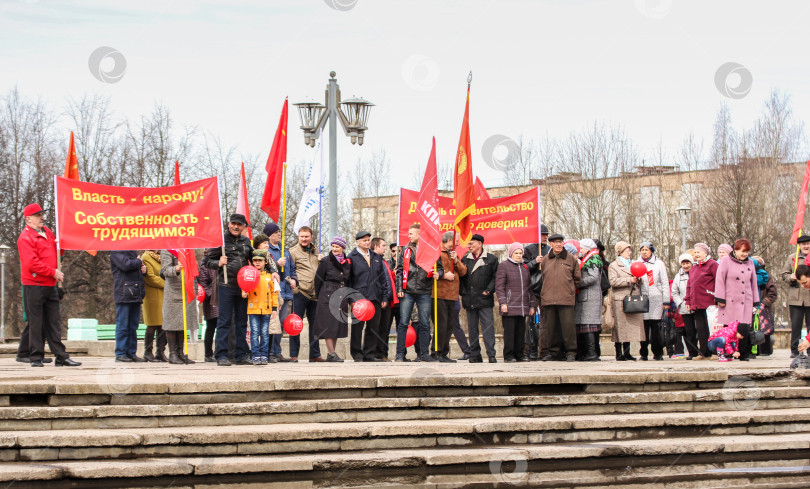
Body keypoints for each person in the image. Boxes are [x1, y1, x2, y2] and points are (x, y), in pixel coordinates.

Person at [17, 203, 80, 367]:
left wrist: (62, 246)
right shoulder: (25, 238)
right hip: (34, 284)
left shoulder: (48, 233)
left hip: (50, 284)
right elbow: (31, 263)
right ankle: (36, 357)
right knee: (36, 322)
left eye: (42, 215)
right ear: (28, 218)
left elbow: (56, 254)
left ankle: (61, 356)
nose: (42, 218)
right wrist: (53, 272)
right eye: (38, 215)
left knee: (54, 322)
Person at [203, 213, 253, 366]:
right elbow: (206, 262)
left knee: (241, 322)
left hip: (243, 286)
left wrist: (272, 269)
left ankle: (241, 355)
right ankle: (221, 355)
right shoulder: (221, 241)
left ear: (244, 227)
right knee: (224, 321)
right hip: (225, 285)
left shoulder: (246, 241)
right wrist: (218, 262)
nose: (236, 226)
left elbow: (255, 257)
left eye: (239, 224)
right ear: (229, 224)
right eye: (234, 223)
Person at [395, 224, 437, 362]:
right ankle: (400, 354)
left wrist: (439, 273)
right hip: (408, 290)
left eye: (412, 233)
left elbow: (439, 267)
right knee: (403, 323)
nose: (409, 236)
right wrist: (400, 289)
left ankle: (424, 354)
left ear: (420, 234)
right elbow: (400, 270)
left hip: (424, 291)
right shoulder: (406, 249)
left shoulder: (431, 249)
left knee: (425, 323)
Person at [347, 231, 391, 362]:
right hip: (358, 299)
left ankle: (369, 354)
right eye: (364, 240)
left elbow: (383, 279)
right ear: (357, 242)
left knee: (373, 327)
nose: (367, 242)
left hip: (375, 297)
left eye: (368, 240)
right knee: (357, 328)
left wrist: (384, 297)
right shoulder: (352, 257)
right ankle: (357, 354)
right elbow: (348, 280)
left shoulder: (376, 257)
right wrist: (351, 299)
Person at [714, 238, 759, 361]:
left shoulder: (750, 263)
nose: (744, 254)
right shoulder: (725, 261)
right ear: (735, 250)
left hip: (746, 300)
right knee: (730, 328)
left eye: (747, 251)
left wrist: (756, 301)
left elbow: (754, 282)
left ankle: (744, 353)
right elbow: (720, 280)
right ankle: (728, 352)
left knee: (744, 328)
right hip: (730, 300)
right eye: (742, 251)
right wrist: (720, 298)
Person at [539, 234, 581, 362]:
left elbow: (577, 279)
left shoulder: (571, 259)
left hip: (566, 299)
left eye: (560, 242)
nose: (558, 244)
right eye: (555, 242)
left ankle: (570, 352)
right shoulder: (545, 260)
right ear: (550, 244)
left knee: (568, 328)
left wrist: (569, 290)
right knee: (551, 328)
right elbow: (543, 278)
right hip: (549, 299)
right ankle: (554, 353)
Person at [459, 233, 500, 363]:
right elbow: (461, 278)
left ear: (480, 244)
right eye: (468, 244)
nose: (469, 246)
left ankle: (491, 354)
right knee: (472, 329)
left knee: (488, 327)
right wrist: (463, 293)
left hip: (485, 299)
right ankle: (475, 354)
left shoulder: (491, 259)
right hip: (469, 299)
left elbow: (496, 277)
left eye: (472, 243)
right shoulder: (465, 259)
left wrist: (488, 290)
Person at [288, 226, 324, 362]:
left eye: (306, 236)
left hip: (315, 294)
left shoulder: (316, 252)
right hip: (300, 292)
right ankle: (293, 355)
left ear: (311, 237)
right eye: (301, 236)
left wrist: (322, 262)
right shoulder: (292, 252)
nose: (304, 239)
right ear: (298, 237)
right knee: (294, 324)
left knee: (315, 326)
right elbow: (289, 272)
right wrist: (295, 289)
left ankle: (314, 354)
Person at [313, 236, 353, 362]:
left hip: (341, 295)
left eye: (337, 246)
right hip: (327, 295)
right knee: (328, 325)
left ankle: (331, 354)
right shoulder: (326, 261)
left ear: (343, 247)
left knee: (336, 326)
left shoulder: (347, 262)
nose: (334, 249)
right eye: (333, 246)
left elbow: (349, 279)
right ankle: (331, 353)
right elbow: (318, 279)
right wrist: (320, 296)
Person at [263, 223, 297, 363]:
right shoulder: (266, 250)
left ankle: (277, 352)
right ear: (269, 235)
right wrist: (277, 264)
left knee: (282, 323)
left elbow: (292, 269)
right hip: (274, 293)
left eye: (279, 232)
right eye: (276, 232)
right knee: (273, 323)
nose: (279, 234)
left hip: (286, 292)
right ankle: (270, 352)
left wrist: (294, 279)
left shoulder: (285, 250)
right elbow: (265, 268)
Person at [495, 242, 535, 362]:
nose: (518, 255)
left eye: (520, 253)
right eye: (516, 253)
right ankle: (509, 355)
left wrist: (532, 305)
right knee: (509, 333)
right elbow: (499, 286)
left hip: (523, 305)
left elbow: (530, 287)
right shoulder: (504, 266)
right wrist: (503, 303)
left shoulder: (525, 267)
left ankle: (520, 354)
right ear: (511, 254)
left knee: (520, 332)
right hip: (509, 305)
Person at [432, 231, 468, 362]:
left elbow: (463, 271)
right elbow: (431, 270)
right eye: (456, 241)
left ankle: (444, 353)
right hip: (439, 293)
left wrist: (456, 260)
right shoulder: (437, 252)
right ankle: (436, 352)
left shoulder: (454, 254)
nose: (458, 243)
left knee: (449, 325)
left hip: (453, 295)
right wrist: (443, 275)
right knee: (441, 324)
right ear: (449, 241)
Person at [160, 250, 197, 365]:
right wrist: (176, 268)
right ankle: (172, 353)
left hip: (187, 288)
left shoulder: (188, 250)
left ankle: (181, 353)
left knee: (183, 323)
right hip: (173, 290)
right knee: (172, 323)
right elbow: (165, 270)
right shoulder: (167, 250)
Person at [608, 241, 644, 361]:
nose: (629, 252)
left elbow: (640, 277)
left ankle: (627, 352)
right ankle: (619, 353)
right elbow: (613, 281)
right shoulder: (614, 265)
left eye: (629, 250)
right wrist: (629, 280)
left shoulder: (633, 264)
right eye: (626, 250)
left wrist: (639, 280)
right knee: (620, 326)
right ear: (620, 252)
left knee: (629, 327)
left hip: (632, 298)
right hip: (620, 299)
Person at [109, 250, 147, 363]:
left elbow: (134, 269)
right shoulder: (116, 251)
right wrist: (138, 261)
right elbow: (126, 265)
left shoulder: (132, 251)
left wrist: (144, 271)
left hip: (134, 292)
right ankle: (121, 353)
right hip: (123, 292)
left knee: (133, 326)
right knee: (123, 325)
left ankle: (131, 353)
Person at [243, 250, 278, 366]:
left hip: (266, 309)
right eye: (255, 261)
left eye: (260, 260)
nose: (257, 263)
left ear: (265, 262)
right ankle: (255, 355)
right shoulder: (249, 275)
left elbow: (274, 293)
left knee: (264, 333)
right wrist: (244, 292)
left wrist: (274, 308)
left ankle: (264, 355)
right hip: (253, 309)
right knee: (254, 333)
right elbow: (245, 287)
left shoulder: (269, 276)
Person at [635, 242, 669, 361]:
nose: (644, 252)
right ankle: (643, 352)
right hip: (643, 298)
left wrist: (666, 301)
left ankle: (658, 352)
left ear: (651, 251)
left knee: (656, 327)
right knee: (644, 327)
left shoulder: (659, 264)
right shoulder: (636, 263)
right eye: (642, 249)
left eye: (646, 249)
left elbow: (664, 282)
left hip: (656, 298)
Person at [685, 243, 719, 360]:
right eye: (695, 252)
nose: (696, 254)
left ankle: (715, 351)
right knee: (701, 329)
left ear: (706, 253)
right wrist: (688, 300)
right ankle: (704, 352)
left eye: (699, 252)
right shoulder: (694, 267)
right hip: (697, 303)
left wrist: (718, 298)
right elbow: (689, 285)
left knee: (712, 328)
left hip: (710, 302)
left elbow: (718, 282)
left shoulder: (712, 265)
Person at [782, 234, 810, 358]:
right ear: (799, 246)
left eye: (808, 243)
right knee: (796, 325)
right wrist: (791, 278)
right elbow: (784, 274)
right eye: (803, 244)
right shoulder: (792, 258)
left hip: (809, 297)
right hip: (796, 298)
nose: (806, 246)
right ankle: (795, 350)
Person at [575, 239, 602, 362]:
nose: (580, 251)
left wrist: (578, 283)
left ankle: (591, 352)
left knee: (589, 325)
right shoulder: (590, 259)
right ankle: (589, 352)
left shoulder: (592, 260)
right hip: (589, 296)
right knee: (587, 325)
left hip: (589, 296)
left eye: (582, 248)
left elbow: (593, 277)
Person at [140, 250, 167, 362]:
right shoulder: (146, 257)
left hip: (163, 295)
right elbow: (150, 277)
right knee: (152, 324)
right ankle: (147, 352)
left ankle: (160, 352)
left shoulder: (162, 257)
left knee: (162, 325)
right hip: (152, 295)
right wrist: (168, 284)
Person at [671, 254, 699, 359]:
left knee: (699, 330)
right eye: (683, 263)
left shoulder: (697, 273)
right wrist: (680, 303)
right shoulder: (678, 276)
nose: (685, 266)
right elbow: (674, 292)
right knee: (689, 331)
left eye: (687, 263)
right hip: (684, 308)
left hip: (697, 307)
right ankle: (692, 352)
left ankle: (702, 350)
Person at [374, 237, 397, 361]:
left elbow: (387, 281)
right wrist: (383, 297)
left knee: (384, 329)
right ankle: (377, 353)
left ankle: (382, 353)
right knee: (378, 328)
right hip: (380, 299)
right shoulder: (375, 261)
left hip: (388, 299)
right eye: (383, 245)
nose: (384, 248)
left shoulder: (383, 262)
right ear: (376, 246)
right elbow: (380, 282)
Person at [751, 255, 776, 357]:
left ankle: (765, 351)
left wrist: (764, 303)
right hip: (751, 306)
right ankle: (753, 350)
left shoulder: (767, 276)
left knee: (765, 329)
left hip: (763, 307)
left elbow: (773, 292)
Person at [198, 249, 219, 362]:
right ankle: (208, 353)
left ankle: (218, 351)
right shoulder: (205, 264)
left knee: (221, 327)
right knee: (211, 327)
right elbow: (202, 282)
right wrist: (212, 293)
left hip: (222, 298)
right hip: (211, 300)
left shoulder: (220, 261)